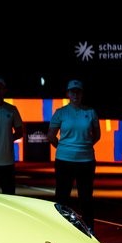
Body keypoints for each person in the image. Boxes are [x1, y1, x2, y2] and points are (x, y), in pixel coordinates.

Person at [47, 80, 101, 233]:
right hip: (64, 161)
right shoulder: (61, 112)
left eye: (78, 91)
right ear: (68, 94)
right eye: (73, 91)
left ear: (82, 94)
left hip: (86, 161)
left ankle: (89, 229)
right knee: (62, 197)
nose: (75, 94)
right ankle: (60, 228)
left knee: (86, 198)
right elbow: (50, 135)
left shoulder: (90, 112)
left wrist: (84, 146)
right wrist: (63, 148)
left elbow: (97, 135)